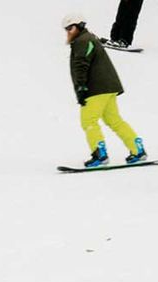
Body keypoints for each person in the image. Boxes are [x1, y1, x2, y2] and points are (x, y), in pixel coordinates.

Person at [62, 14, 146, 168]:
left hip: (96, 88)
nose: (68, 31)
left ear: (79, 26)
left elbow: (81, 64)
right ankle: (137, 148)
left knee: (88, 121)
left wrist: (81, 87)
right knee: (114, 120)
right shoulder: (88, 39)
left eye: (70, 28)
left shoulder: (83, 40)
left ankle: (99, 154)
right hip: (108, 87)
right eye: (66, 29)